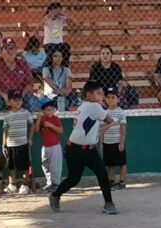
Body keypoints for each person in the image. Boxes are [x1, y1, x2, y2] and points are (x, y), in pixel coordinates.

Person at [49, 81, 119, 215]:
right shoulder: (95, 107)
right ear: (88, 95)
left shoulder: (86, 106)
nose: (101, 96)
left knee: (102, 174)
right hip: (75, 150)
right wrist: (112, 119)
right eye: (98, 93)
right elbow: (109, 120)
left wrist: (107, 125)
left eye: (102, 94)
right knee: (74, 179)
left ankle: (109, 203)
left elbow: (95, 129)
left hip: (89, 150)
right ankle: (55, 195)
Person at [0, 38, 40, 113]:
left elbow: (30, 84)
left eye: (12, 48)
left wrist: (21, 96)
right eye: (6, 48)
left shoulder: (23, 64)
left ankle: (31, 124)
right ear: (1, 51)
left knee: (34, 102)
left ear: (16, 50)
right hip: (2, 96)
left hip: (21, 95)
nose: (10, 51)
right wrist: (4, 95)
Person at [2, 89, 34, 194]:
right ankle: (12, 185)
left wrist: (29, 138)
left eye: (19, 99)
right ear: (9, 101)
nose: (17, 101)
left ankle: (25, 185)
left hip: (23, 143)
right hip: (11, 145)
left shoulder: (26, 113)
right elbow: (5, 130)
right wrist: (4, 144)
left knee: (25, 166)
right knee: (11, 166)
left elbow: (32, 125)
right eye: (14, 99)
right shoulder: (7, 115)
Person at [33, 2, 78, 66]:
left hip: (59, 43)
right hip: (49, 43)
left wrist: (65, 15)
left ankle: (64, 67)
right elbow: (37, 29)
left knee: (66, 47)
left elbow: (75, 25)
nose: (57, 13)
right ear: (51, 10)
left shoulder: (61, 19)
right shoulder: (47, 19)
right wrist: (49, 15)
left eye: (58, 11)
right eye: (55, 10)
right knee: (51, 55)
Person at [101, 87, 127, 190]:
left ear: (118, 99)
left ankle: (122, 182)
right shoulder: (104, 113)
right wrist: (102, 143)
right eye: (108, 97)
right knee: (110, 163)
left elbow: (123, 128)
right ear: (105, 99)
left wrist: (122, 142)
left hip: (117, 142)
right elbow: (102, 129)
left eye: (113, 97)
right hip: (107, 143)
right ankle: (111, 181)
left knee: (122, 162)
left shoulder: (120, 113)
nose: (110, 99)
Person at [34, 97, 63, 191]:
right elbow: (36, 130)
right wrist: (39, 119)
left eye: (52, 110)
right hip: (45, 147)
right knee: (45, 165)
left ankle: (56, 183)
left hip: (55, 147)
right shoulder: (42, 119)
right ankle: (50, 182)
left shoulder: (55, 119)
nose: (50, 112)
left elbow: (60, 130)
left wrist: (50, 125)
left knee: (55, 166)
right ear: (42, 110)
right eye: (47, 110)